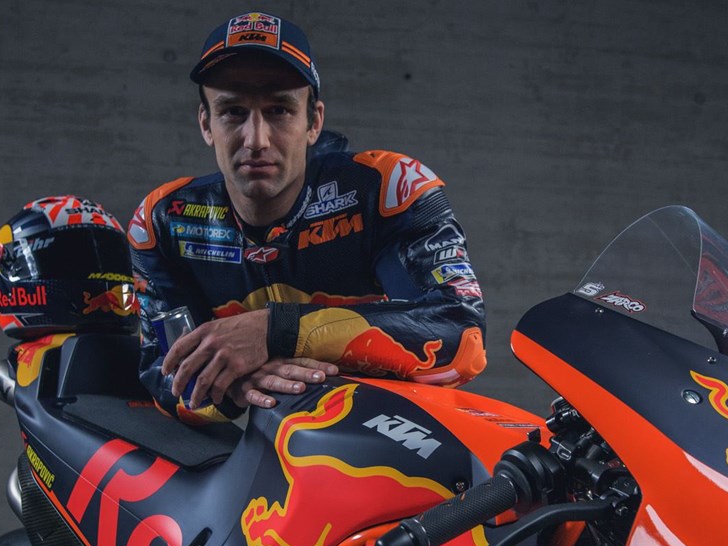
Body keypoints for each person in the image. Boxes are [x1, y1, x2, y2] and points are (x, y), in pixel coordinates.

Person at [128, 11, 486, 424]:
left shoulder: (388, 190)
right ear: (206, 124)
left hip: (398, 434)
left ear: (313, 121)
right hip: (266, 447)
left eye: (279, 110)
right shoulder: (163, 221)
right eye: (233, 112)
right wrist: (234, 384)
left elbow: (463, 335)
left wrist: (274, 331)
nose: (256, 140)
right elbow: (163, 372)